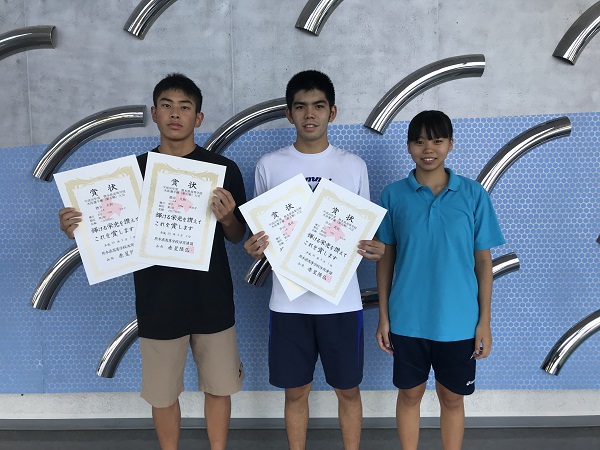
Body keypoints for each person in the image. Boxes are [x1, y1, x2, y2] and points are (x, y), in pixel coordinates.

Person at [59, 73, 247, 450]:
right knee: (162, 394)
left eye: (185, 107)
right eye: (167, 106)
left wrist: (228, 218)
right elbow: (106, 229)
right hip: (157, 299)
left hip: (211, 297)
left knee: (219, 387)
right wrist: (77, 227)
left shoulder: (223, 170)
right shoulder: (131, 174)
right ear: (154, 113)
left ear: (198, 118)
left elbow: (237, 235)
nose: (175, 114)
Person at [244, 70, 384, 450]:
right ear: (289, 114)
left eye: (318, 106)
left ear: (332, 112)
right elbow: (261, 232)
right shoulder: (269, 166)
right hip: (288, 304)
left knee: (348, 391)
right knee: (295, 392)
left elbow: (362, 230)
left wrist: (373, 247)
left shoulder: (353, 165)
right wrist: (254, 246)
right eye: (301, 106)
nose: (310, 114)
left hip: (342, 302)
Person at [375, 110, 505, 450]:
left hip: (459, 322)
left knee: (452, 398)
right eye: (419, 141)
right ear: (408, 146)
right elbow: (386, 259)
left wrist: (484, 322)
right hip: (407, 319)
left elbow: (483, 262)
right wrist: (384, 317)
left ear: (450, 144)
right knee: (409, 395)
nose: (428, 149)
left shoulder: (473, 194)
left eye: (436, 140)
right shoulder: (393, 196)